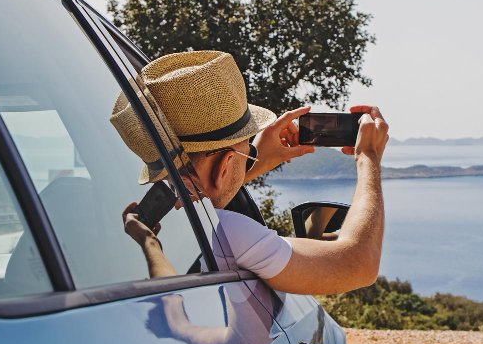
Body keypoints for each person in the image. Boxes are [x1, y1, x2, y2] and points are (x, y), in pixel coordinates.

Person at [110, 50, 388, 295]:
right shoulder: (228, 232)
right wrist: (369, 158)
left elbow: (207, 189)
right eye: (245, 151)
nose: (250, 153)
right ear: (225, 165)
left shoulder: (151, 219)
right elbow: (358, 264)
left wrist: (253, 159)